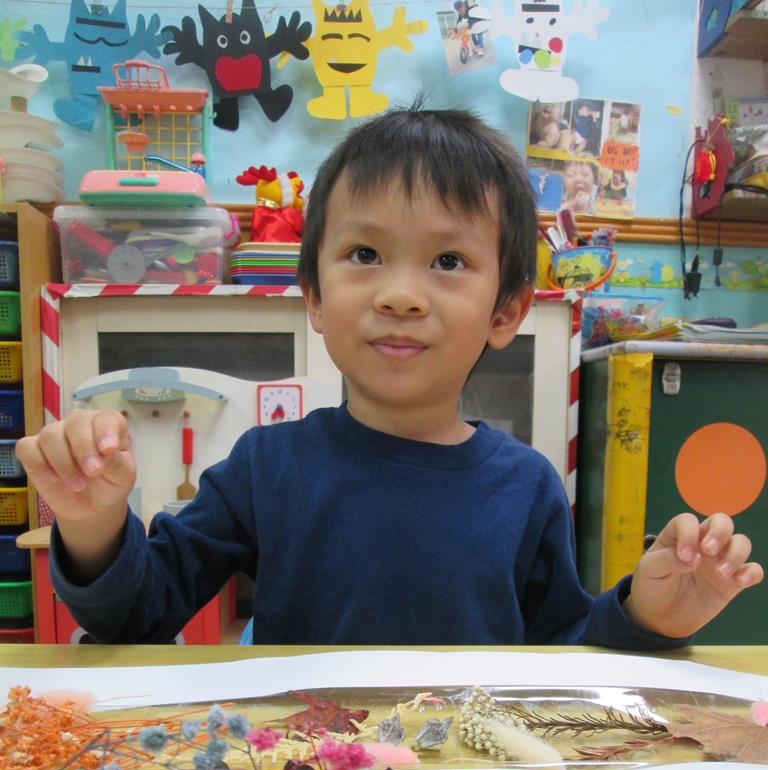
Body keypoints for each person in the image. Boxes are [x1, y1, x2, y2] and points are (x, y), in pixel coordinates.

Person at [15, 105, 763, 646]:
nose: (400, 295)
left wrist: (647, 617)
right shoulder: (265, 467)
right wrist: (93, 524)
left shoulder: (526, 487)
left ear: (506, 311)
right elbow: (136, 616)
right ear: (314, 296)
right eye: (365, 255)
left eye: (448, 260)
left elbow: (562, 651)